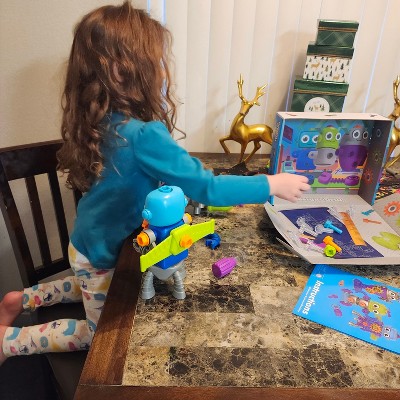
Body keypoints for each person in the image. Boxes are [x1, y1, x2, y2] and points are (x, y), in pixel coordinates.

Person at [0, 1, 309, 365]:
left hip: (84, 244)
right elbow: (208, 188)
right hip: (102, 257)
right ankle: (10, 341)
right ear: (121, 70)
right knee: (97, 335)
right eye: (156, 61)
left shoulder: (100, 122)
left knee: (87, 280)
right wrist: (271, 183)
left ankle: (24, 299)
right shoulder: (144, 136)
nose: (162, 70)